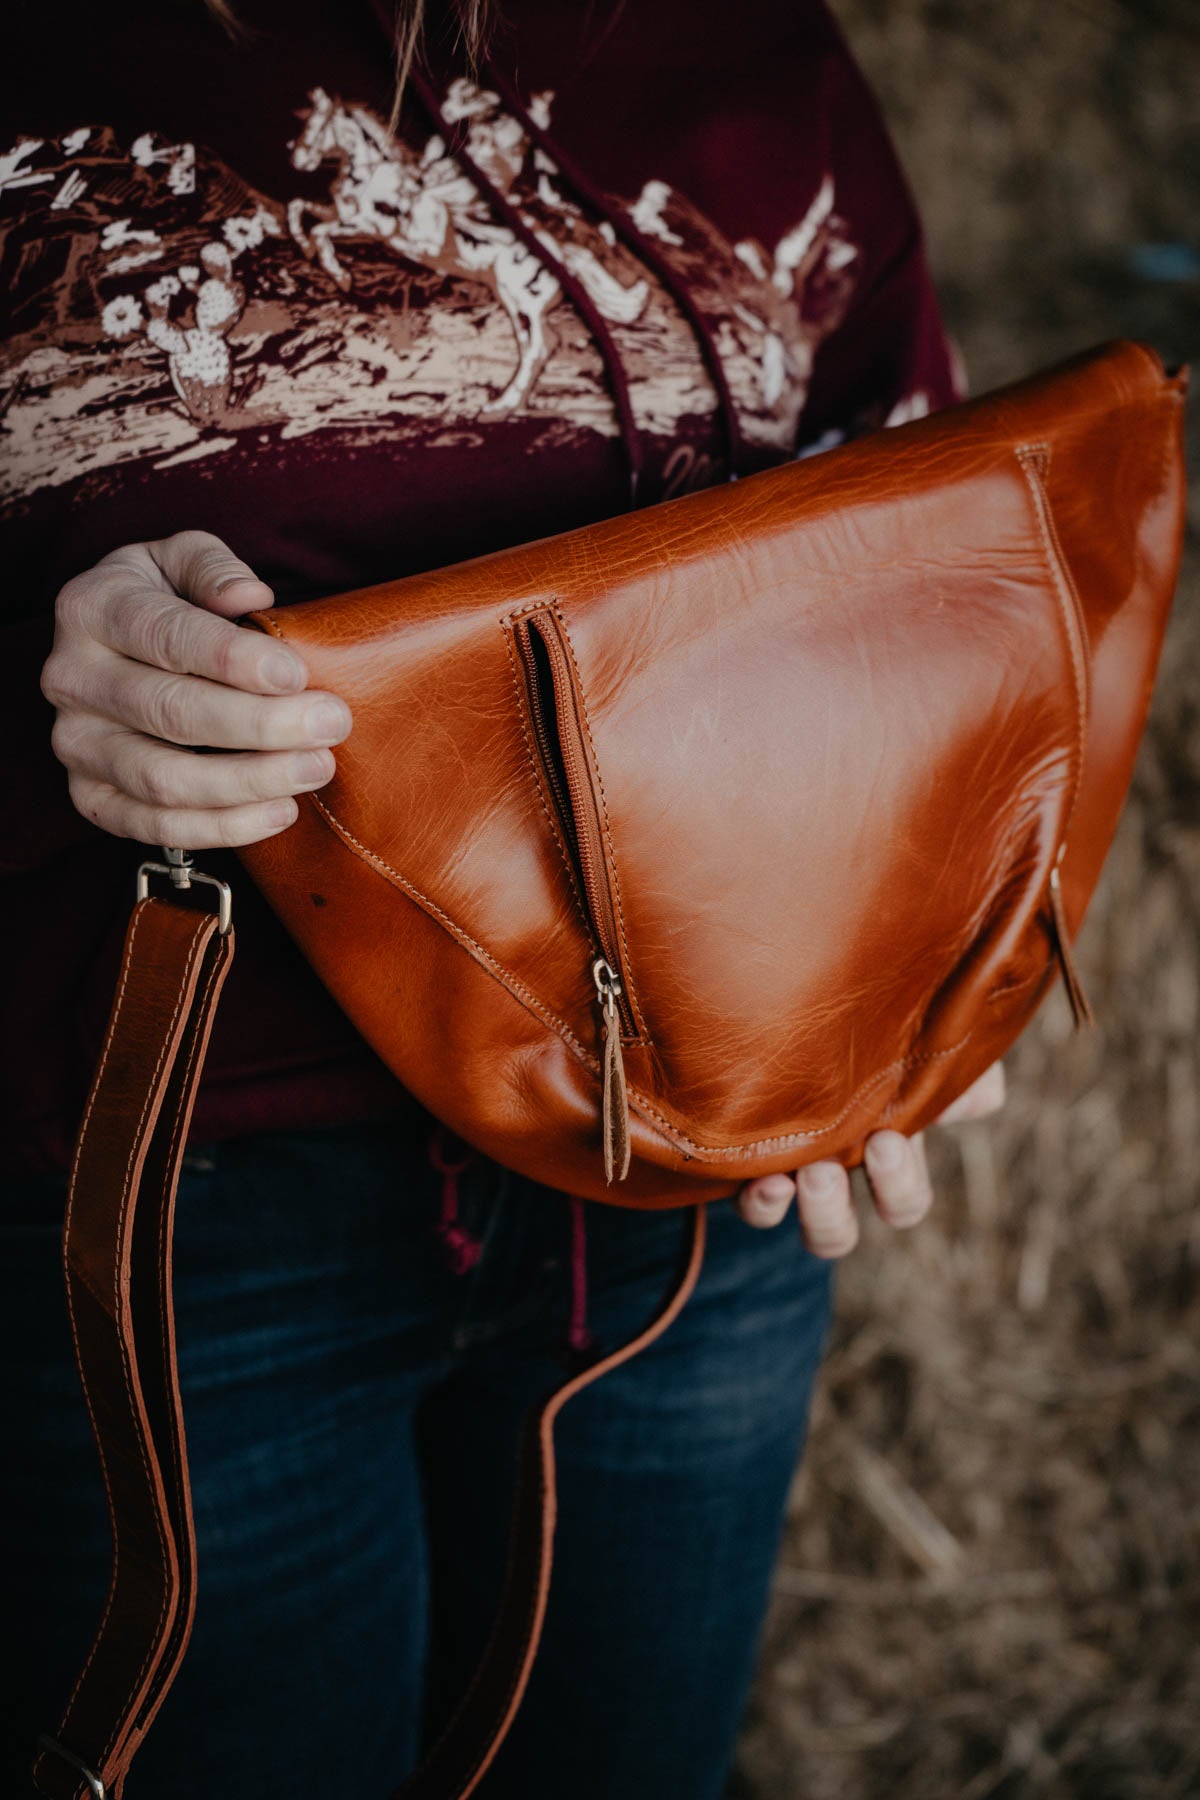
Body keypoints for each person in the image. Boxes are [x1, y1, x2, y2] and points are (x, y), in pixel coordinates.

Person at [0, 1, 1005, 1793]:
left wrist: (892, 908)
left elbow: (915, 482)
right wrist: (50, 685)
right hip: (178, 1207)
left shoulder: (749, 36)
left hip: (697, 1161)